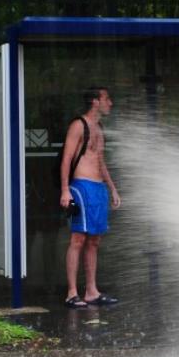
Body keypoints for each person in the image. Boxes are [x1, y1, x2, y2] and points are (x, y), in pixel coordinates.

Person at [58, 86, 122, 308]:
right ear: (95, 101)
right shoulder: (79, 125)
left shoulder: (99, 128)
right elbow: (66, 159)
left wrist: (112, 188)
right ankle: (71, 292)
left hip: (98, 188)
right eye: (107, 98)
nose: (110, 103)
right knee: (78, 238)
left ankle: (91, 291)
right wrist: (65, 190)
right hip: (81, 187)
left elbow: (100, 162)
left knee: (94, 240)